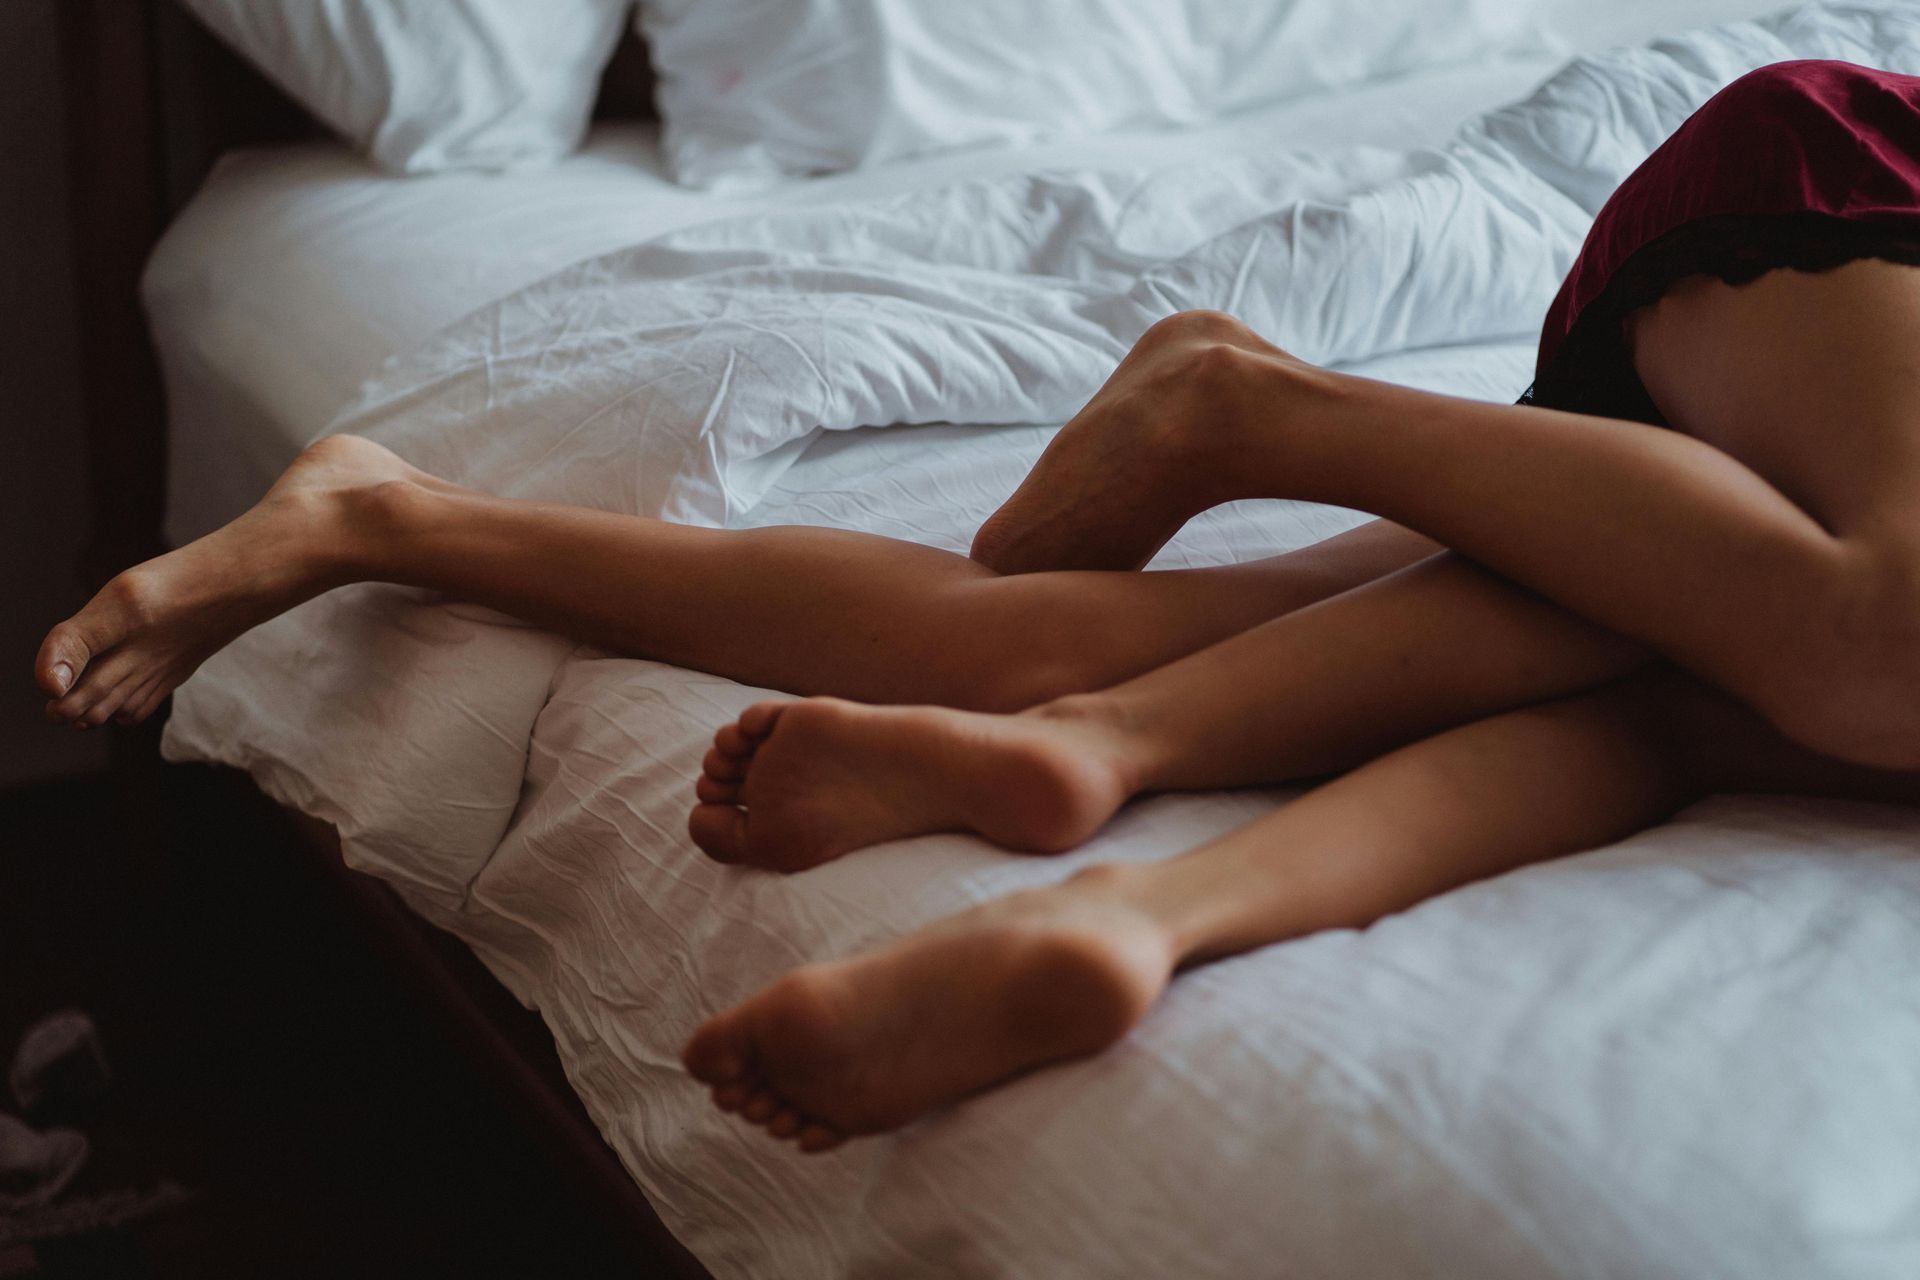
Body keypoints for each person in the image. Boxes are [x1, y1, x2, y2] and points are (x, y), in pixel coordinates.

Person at [37, 61, 1920, 1153]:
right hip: (1849, 201)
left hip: (1768, 451)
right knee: (1875, 647)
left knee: (1085, 646)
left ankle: (392, 522)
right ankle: (1250, 406)